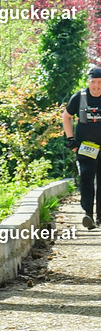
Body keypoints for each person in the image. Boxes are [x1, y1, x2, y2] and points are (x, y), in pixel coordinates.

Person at [63, 65, 101, 229]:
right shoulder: (79, 97)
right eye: (93, 82)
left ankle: (100, 217)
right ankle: (88, 215)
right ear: (88, 81)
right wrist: (71, 140)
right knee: (86, 177)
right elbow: (67, 117)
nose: (96, 86)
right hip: (85, 147)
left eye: (100, 82)